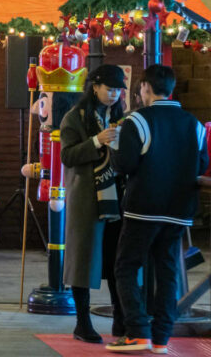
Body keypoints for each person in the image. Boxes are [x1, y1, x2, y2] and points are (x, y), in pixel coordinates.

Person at [106, 65, 208, 354]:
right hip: (179, 210)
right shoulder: (195, 124)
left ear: (146, 88)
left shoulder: (137, 121)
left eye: (140, 88)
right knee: (167, 272)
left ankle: (138, 332)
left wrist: (114, 147)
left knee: (125, 267)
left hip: (143, 208)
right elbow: (200, 165)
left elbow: (125, 165)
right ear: (171, 89)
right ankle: (161, 339)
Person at [59, 65, 127, 344]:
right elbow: (67, 156)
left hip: (117, 196)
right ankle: (82, 322)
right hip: (87, 197)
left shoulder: (121, 116)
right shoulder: (75, 117)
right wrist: (96, 141)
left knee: (117, 260)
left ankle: (122, 320)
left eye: (118, 90)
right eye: (109, 88)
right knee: (83, 260)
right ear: (95, 87)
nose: (114, 94)